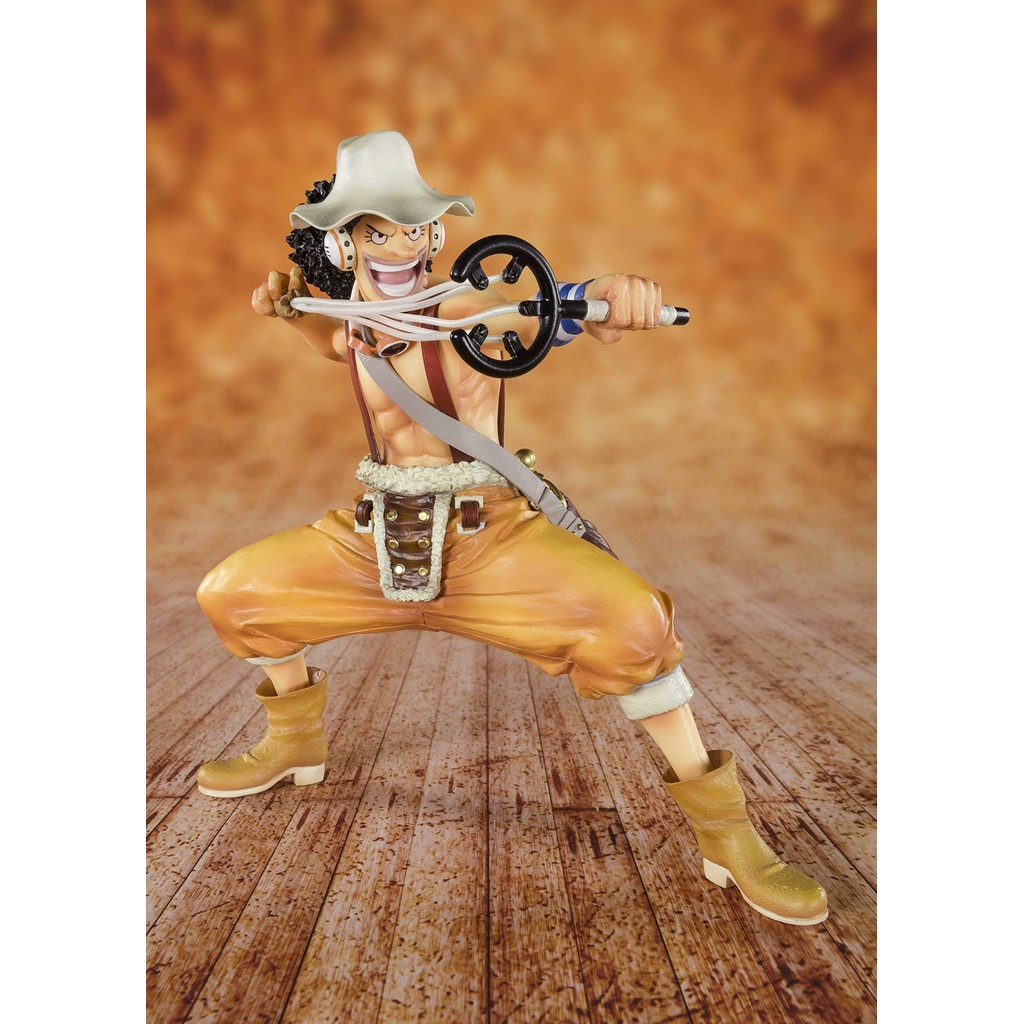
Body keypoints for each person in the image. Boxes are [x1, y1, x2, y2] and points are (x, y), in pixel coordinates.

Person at [195, 131, 827, 926]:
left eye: (414, 228)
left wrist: (603, 298)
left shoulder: (466, 309)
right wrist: (291, 312)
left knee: (636, 626)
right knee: (235, 593)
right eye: (376, 232)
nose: (400, 247)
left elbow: (540, 311)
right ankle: (295, 741)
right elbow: (338, 344)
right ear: (342, 243)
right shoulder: (356, 321)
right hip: (378, 537)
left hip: (487, 538)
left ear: (437, 234)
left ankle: (728, 832)